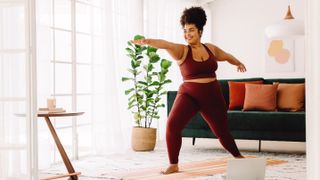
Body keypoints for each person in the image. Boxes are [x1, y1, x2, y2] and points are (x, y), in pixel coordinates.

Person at [131, 6, 246, 175]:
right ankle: (173, 164)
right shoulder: (182, 51)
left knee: (221, 131)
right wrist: (148, 42)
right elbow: (166, 44)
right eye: (185, 31)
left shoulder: (210, 48)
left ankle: (238, 156)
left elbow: (226, 56)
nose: (187, 34)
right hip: (189, 95)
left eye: (191, 30)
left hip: (212, 95)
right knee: (172, 125)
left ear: (200, 30)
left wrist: (238, 63)